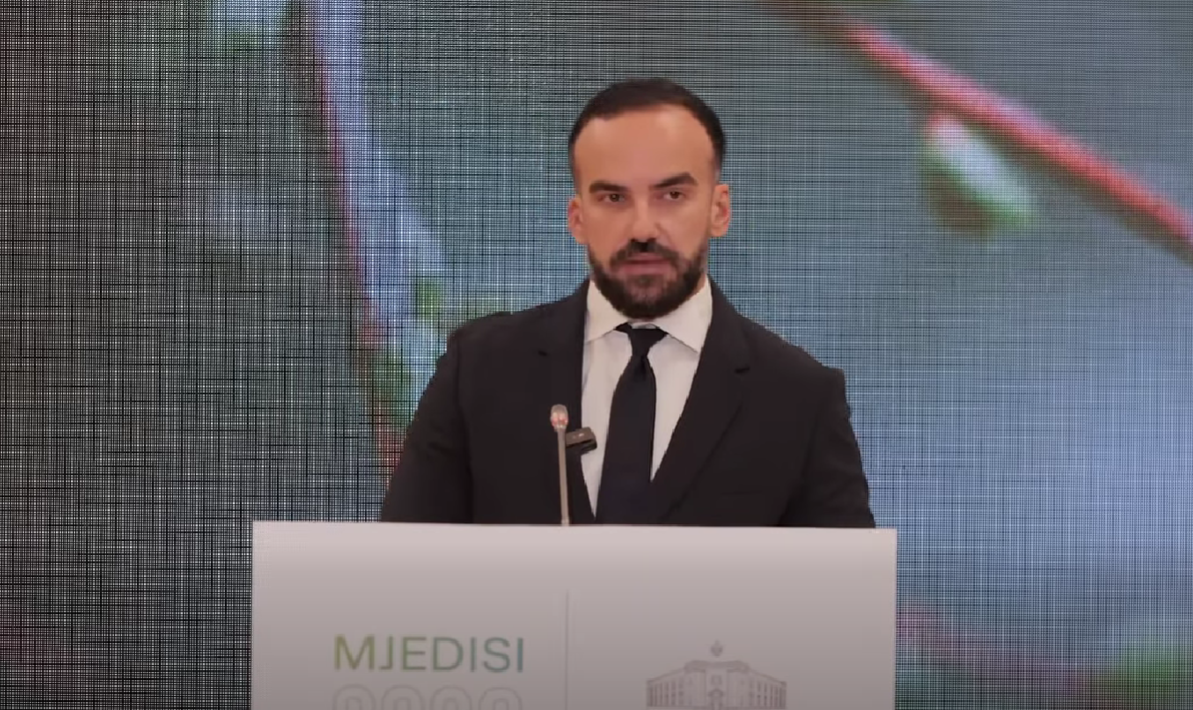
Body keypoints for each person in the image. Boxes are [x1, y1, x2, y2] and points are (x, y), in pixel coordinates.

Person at [379, 78, 875, 527]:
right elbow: (402, 570)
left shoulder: (800, 399)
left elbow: (844, 596)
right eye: (613, 199)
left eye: (672, 195)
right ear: (577, 219)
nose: (642, 229)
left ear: (719, 210)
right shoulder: (479, 371)